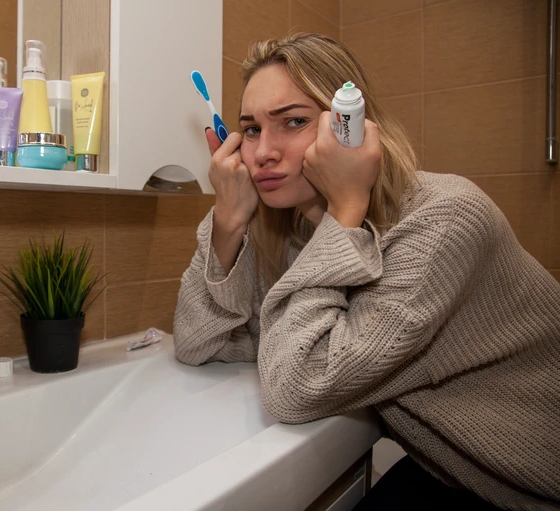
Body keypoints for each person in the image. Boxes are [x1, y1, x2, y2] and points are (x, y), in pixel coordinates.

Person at [173, 33, 560, 511]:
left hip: (529, 490)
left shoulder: (444, 223)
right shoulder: (296, 234)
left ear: (350, 127)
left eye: (293, 121)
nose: (262, 152)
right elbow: (199, 342)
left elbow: (295, 385)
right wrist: (229, 222)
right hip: (452, 467)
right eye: (250, 129)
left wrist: (344, 210)